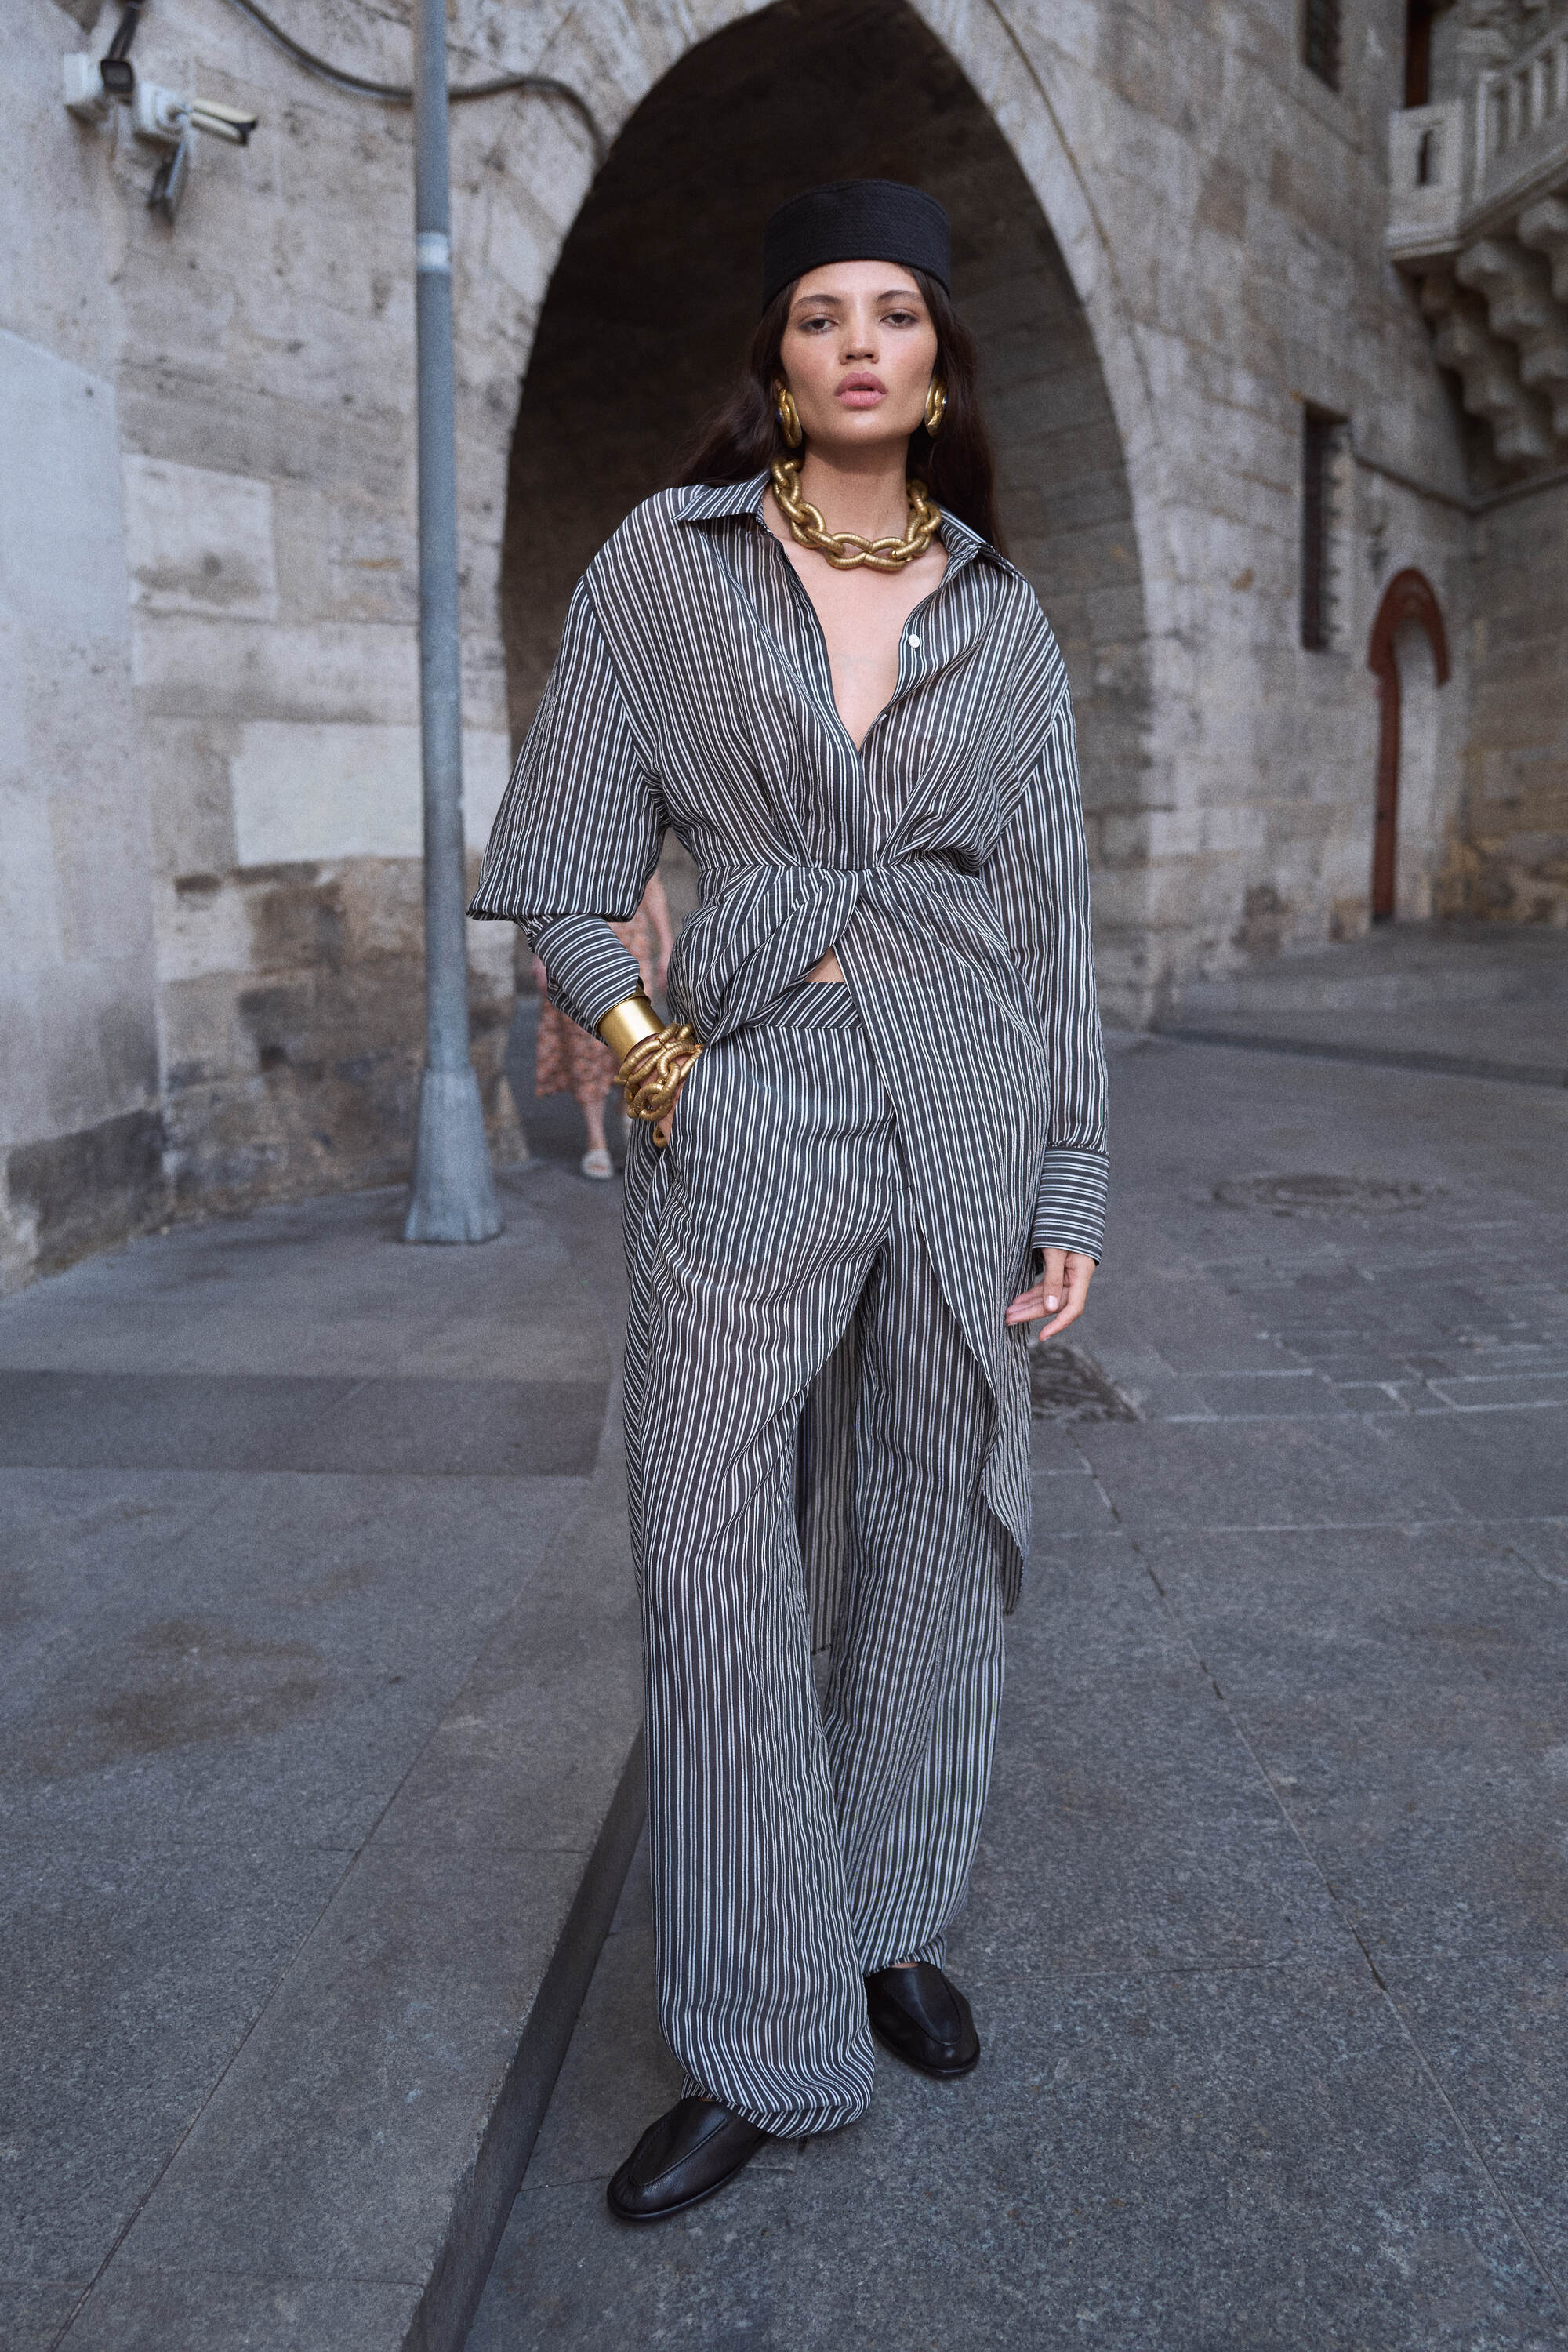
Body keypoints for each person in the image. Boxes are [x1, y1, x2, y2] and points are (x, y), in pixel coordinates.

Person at [469, 179, 1106, 2222]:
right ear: (777, 357)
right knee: (710, 1544)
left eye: (893, 312)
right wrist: (655, 1065)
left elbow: (1056, 930)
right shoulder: (666, 566)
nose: (856, 342)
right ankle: (761, 2027)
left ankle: (887, 1915)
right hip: (749, 1094)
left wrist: (1071, 1171)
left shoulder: (1007, 624)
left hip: (970, 1088)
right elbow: (563, 863)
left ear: (935, 368)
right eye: (820, 311)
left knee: (934, 1505)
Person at [531, 873, 673, 1178]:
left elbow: (651, 887)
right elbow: (541, 893)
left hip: (631, 942)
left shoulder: (636, 841)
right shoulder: (559, 844)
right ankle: (596, 1139)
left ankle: (630, 1117)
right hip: (572, 940)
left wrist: (667, 946)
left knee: (637, 1038)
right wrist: (540, 952)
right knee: (585, 1042)